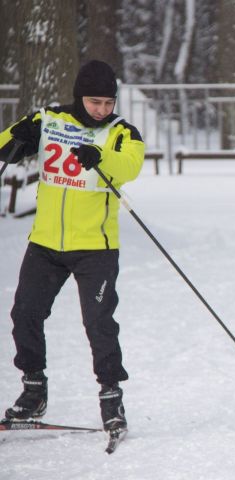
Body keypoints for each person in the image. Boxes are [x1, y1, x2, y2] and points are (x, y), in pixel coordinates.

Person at [0, 60, 144, 435]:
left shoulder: (121, 132)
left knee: (99, 324)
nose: (101, 110)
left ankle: (111, 398)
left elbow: (130, 166)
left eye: (108, 102)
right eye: (95, 102)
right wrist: (18, 139)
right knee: (25, 315)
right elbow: (2, 147)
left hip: (95, 247)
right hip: (46, 244)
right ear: (80, 97)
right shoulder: (51, 120)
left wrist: (102, 158)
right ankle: (33, 391)